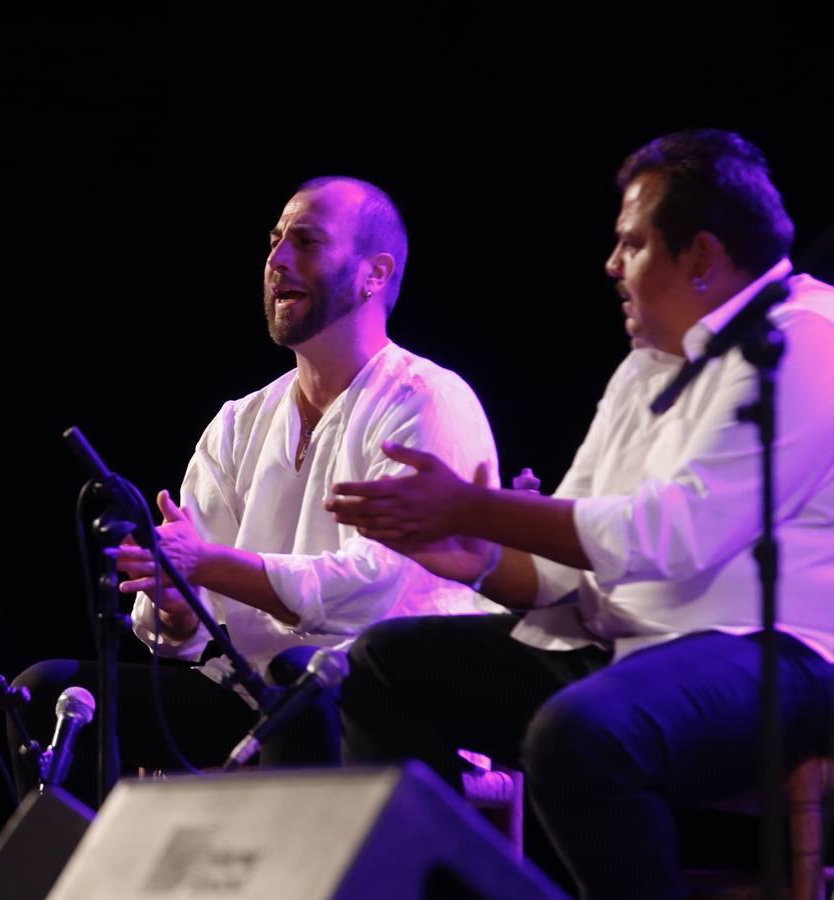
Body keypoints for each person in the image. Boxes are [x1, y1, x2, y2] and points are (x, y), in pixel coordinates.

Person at [327, 130, 834, 899]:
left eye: (630, 244)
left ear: (700, 256)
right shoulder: (644, 364)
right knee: (384, 666)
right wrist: (483, 558)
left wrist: (475, 505)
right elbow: (569, 557)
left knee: (582, 734)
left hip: (778, 654)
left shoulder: (803, 343)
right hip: (630, 647)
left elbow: (679, 534)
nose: (611, 265)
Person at [9, 176, 499, 800]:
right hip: (251, 696)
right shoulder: (240, 421)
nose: (277, 259)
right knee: (43, 692)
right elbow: (181, 615)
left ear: (375, 274)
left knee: (301, 682)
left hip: (382, 706)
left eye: (306, 241)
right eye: (273, 242)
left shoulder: (425, 401)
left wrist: (211, 566)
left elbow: (375, 590)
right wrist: (177, 604)